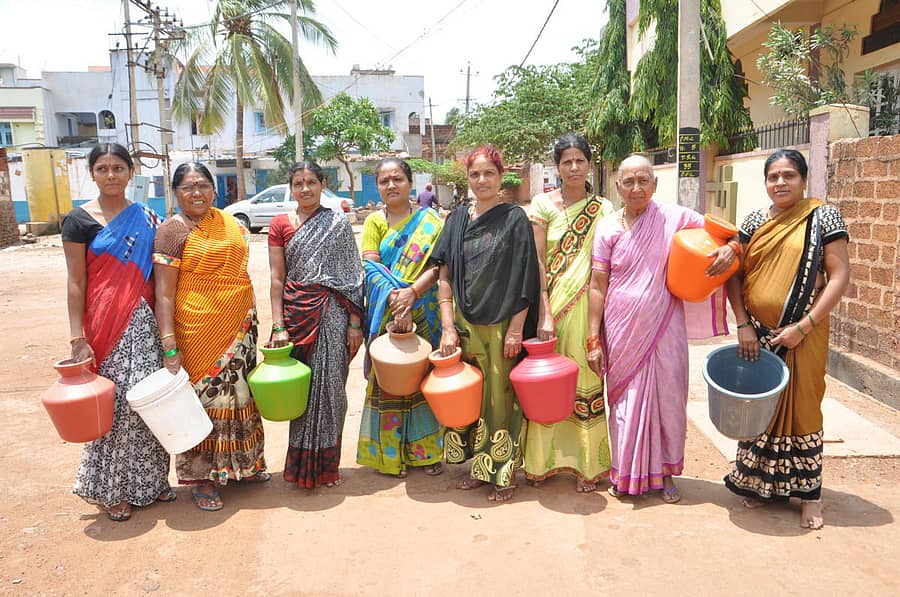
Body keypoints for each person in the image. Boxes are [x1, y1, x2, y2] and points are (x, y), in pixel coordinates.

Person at [587, 154, 737, 503]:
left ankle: (666, 474)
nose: (636, 187)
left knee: (668, 399)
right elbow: (597, 285)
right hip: (621, 328)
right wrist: (594, 337)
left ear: (654, 184)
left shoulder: (676, 218)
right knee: (625, 402)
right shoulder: (607, 227)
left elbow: (726, 234)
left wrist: (731, 248)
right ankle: (626, 473)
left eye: (643, 180)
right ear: (618, 186)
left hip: (666, 324)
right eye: (629, 181)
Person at [724, 149, 849, 530]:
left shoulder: (823, 216)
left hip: (804, 334)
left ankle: (810, 495)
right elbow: (734, 275)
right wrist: (743, 324)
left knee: (803, 407)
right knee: (759, 406)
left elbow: (840, 275)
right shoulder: (754, 221)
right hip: (757, 336)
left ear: (803, 179)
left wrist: (804, 326)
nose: (780, 182)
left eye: (788, 175)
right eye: (773, 176)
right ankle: (757, 484)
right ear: (765, 182)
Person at [63, 143, 172, 522]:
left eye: (118, 168)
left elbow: (161, 278)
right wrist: (77, 337)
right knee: (116, 407)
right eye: (103, 168)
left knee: (150, 401)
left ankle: (151, 482)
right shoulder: (78, 221)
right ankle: (111, 490)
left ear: (130, 172)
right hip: (104, 323)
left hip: (143, 322)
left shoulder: (147, 217)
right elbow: (76, 281)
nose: (111, 176)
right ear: (92, 173)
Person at [154, 162, 269, 512]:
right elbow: (163, 294)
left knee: (241, 397)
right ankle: (202, 479)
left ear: (214, 190)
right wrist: (169, 343)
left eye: (203, 185)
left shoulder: (230, 225)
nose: (197, 193)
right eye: (188, 187)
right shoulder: (171, 232)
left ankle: (243, 466)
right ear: (176, 193)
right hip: (197, 331)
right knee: (202, 405)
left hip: (238, 326)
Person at [432, 145, 541, 502]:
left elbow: (527, 278)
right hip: (464, 322)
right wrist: (448, 325)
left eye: (488, 173)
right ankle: (478, 470)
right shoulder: (457, 219)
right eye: (475, 174)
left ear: (501, 176)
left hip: (501, 324)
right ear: (467, 179)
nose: (482, 180)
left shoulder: (514, 219)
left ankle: (503, 473)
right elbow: (444, 274)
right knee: (469, 397)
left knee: (500, 399)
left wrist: (515, 328)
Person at [523, 134, 615, 493]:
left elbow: (605, 266)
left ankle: (587, 466)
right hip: (554, 309)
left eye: (580, 160)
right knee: (547, 387)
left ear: (589, 164)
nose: (574, 167)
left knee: (585, 382)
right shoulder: (542, 205)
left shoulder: (604, 209)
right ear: (557, 167)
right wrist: (545, 312)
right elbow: (538, 262)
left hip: (589, 309)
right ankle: (543, 462)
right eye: (567, 161)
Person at [269, 161, 364, 489]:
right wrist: (278, 324)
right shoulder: (280, 224)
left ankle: (326, 467)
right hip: (296, 316)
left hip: (332, 314)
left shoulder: (336, 222)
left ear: (322, 184)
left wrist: (355, 323)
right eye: (298, 183)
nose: (305, 188)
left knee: (331, 389)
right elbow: (276, 278)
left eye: (311, 181)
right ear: (291, 188)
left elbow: (352, 274)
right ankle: (299, 467)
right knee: (302, 392)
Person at [357, 158, 445, 477]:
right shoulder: (374, 222)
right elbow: (370, 266)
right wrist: (396, 297)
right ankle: (389, 453)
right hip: (388, 313)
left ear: (410, 183)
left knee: (424, 379)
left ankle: (428, 452)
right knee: (390, 381)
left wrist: (413, 293)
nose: (391, 185)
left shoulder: (431, 221)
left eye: (397, 179)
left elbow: (440, 264)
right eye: (384, 181)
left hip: (424, 309)